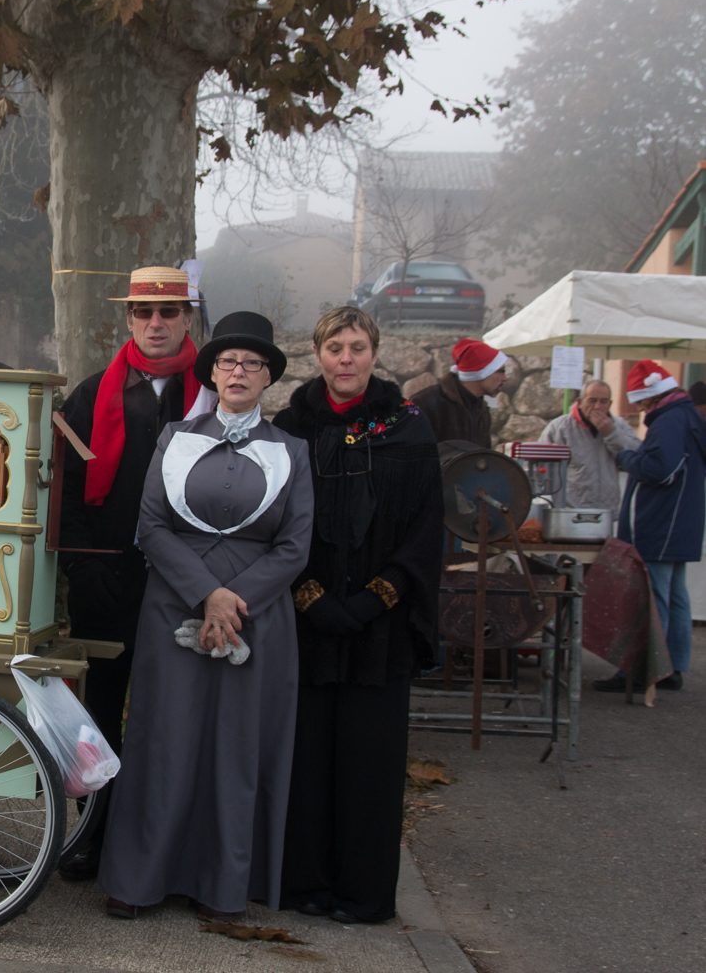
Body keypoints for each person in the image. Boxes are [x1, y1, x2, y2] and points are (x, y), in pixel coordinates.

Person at [97, 311, 313, 920]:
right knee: (164, 738)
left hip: (256, 614)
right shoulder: (175, 440)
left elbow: (295, 546)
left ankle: (221, 885)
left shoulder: (291, 452)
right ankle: (139, 879)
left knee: (234, 747)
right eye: (227, 362)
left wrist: (234, 600)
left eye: (251, 363)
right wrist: (206, 594)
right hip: (174, 604)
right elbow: (151, 526)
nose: (238, 371)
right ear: (212, 374)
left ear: (268, 375)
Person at [273, 306, 444, 924]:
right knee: (308, 760)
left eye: (357, 347)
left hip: (381, 629)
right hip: (309, 622)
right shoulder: (290, 430)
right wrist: (312, 598)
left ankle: (364, 894)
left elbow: (428, 529)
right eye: (334, 348)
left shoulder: (409, 431)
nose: (346, 359)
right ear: (317, 355)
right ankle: (306, 884)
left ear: (375, 352)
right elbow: (273, 525)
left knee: (369, 764)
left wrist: (377, 597)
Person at [54, 265, 214, 880]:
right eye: (144, 313)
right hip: (108, 582)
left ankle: (164, 843)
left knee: (173, 713)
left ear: (187, 319)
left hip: (185, 583)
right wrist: (80, 568)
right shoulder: (92, 394)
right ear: (127, 319)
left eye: (169, 313)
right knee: (100, 714)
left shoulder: (212, 393)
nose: (156, 323)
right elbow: (65, 492)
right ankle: (92, 832)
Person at [602, 361, 706, 693]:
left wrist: (626, 458)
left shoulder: (670, 420)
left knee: (654, 598)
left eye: (643, 403)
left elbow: (661, 469)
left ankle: (647, 670)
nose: (642, 409)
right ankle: (672, 667)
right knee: (676, 596)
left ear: (653, 397)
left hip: (662, 524)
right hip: (681, 523)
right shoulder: (689, 416)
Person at [537, 378, 640, 512]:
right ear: (580, 402)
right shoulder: (560, 427)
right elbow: (542, 468)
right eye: (592, 401)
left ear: (610, 404)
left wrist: (611, 433)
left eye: (603, 402)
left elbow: (638, 454)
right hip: (570, 511)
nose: (597, 407)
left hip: (606, 512)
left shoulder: (619, 425)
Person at [410, 337, 508, 447]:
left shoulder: (481, 408)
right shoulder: (424, 403)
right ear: (482, 372)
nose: (505, 378)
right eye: (501, 371)